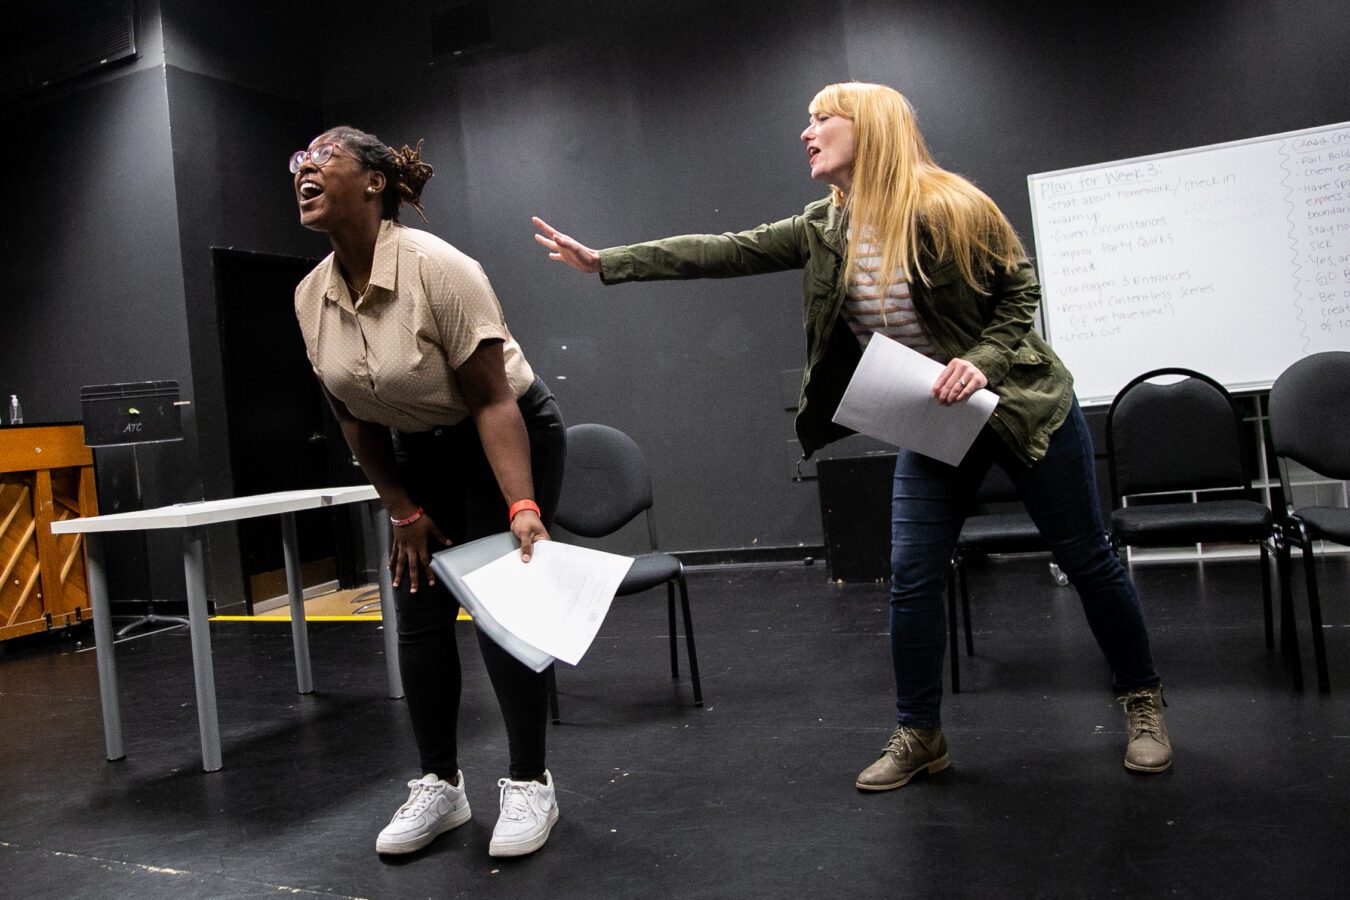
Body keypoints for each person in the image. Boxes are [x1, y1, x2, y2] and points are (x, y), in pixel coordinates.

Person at [531, 82, 1172, 789]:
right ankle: (920, 732)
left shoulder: (952, 205)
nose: (806, 133)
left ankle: (1141, 700)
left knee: (1086, 559)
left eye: (821, 119)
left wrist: (983, 360)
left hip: (1023, 408)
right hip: (937, 422)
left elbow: (1020, 289)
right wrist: (608, 262)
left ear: (869, 127)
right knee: (913, 578)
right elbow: (726, 250)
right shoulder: (824, 226)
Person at [291, 126, 566, 856]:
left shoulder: (439, 268)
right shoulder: (310, 295)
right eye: (299, 161)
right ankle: (440, 785)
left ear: (374, 182)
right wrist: (402, 508)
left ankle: (530, 782)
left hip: (502, 432)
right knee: (418, 606)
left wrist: (522, 507)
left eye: (324, 156)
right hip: (417, 448)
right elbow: (351, 414)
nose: (305, 169)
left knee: (501, 610)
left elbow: (493, 401)